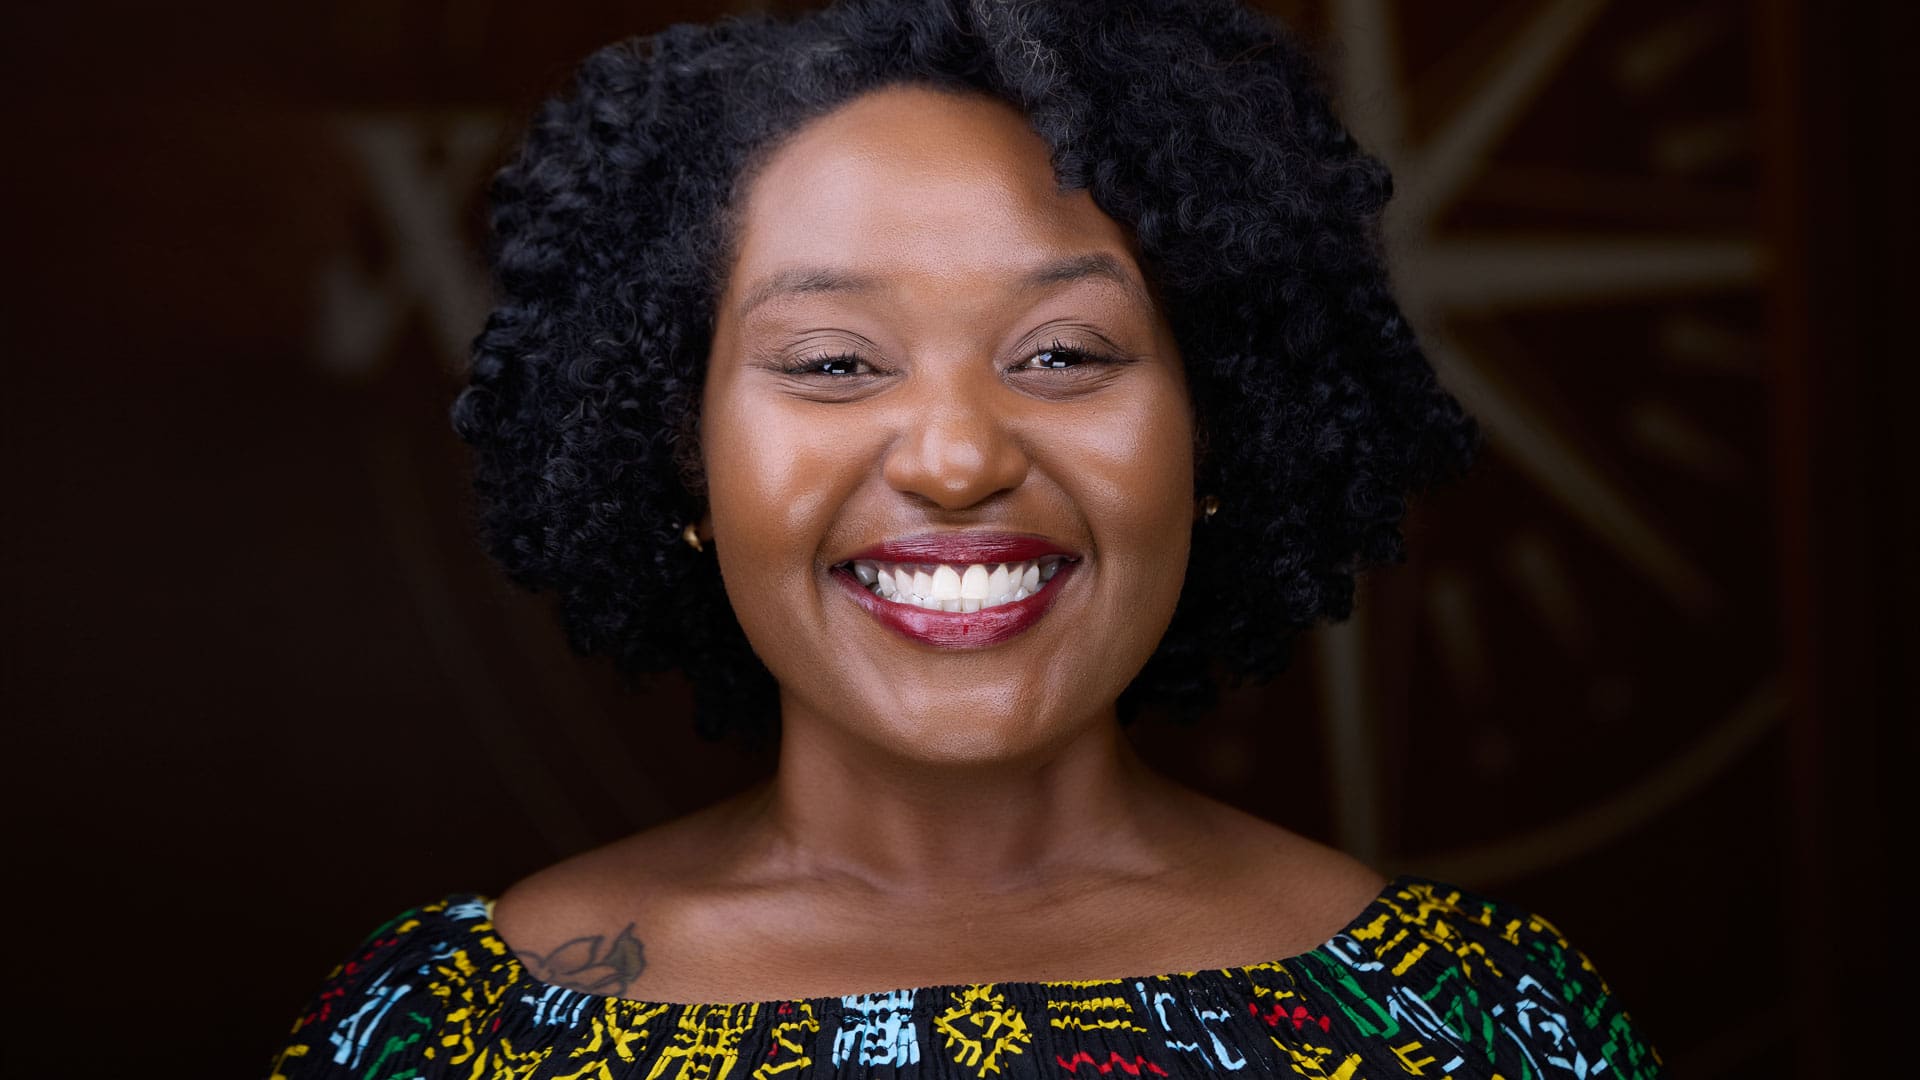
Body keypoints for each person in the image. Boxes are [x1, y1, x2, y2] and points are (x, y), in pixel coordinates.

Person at [270, 1, 1662, 1077]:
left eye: (1062, 353)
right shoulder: (456, 1036)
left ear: (1215, 438)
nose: (956, 459)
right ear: (681, 457)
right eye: (830, 362)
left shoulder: (1482, 1026)